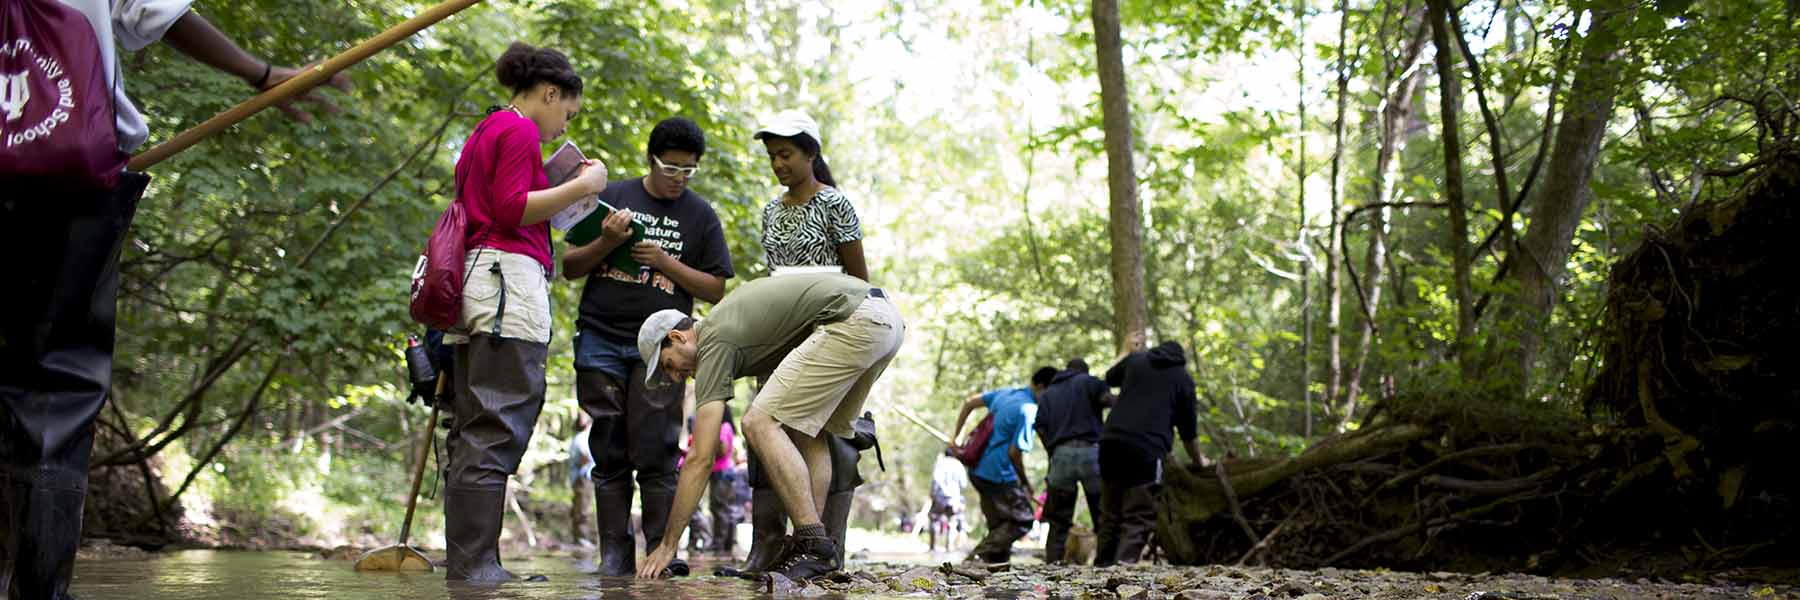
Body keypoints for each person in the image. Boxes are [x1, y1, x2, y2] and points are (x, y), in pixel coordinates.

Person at [0, 2, 350, 597]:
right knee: (56, 390)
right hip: (69, 174)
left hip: (65, 177)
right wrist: (259, 72)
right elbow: (152, 9)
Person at [438, 41, 602, 583]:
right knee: (499, 419)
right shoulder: (518, 129)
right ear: (550, 93)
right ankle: (476, 566)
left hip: (477, 278)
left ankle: (471, 563)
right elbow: (511, 209)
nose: (562, 127)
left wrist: (551, 185)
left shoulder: (488, 129)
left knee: (475, 422)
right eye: (567, 114)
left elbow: (499, 201)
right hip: (505, 281)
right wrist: (582, 186)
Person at [634, 272, 905, 581]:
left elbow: (700, 458)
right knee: (805, 431)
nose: (675, 377)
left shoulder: (713, 339)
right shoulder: (730, 322)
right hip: (886, 321)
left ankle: (814, 543)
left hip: (855, 320)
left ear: (677, 337)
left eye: (669, 365)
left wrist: (668, 545)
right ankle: (812, 549)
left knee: (757, 422)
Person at [561, 117, 733, 577]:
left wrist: (664, 262)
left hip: (665, 351)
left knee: (657, 451)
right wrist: (607, 240)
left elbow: (716, 288)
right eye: (671, 168)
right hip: (601, 338)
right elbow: (569, 266)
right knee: (609, 447)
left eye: (688, 170)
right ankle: (614, 557)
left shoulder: (700, 216)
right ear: (650, 160)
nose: (679, 178)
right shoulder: (612, 196)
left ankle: (661, 551)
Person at [1095, 341, 1208, 567]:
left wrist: (1128, 352)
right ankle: (1120, 570)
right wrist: (1200, 461)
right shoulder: (1182, 379)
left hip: (1110, 442)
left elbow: (1109, 378)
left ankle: (1101, 569)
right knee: (1138, 515)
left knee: (1110, 512)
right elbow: (1188, 432)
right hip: (1146, 448)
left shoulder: (1136, 361)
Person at [947, 367, 1054, 565]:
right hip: (998, 474)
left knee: (999, 524)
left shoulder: (1006, 393)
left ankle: (996, 567)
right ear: (1041, 387)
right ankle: (976, 558)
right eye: (1052, 392)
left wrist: (957, 437)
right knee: (1023, 520)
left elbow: (969, 402)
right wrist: (1025, 483)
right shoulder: (1029, 409)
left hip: (977, 470)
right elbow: (1014, 453)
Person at [754, 110, 867, 280]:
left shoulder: (833, 203)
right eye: (772, 157)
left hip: (829, 305)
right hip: (784, 306)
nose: (777, 165)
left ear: (811, 153)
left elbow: (859, 282)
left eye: (785, 155)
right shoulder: (772, 211)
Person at [1033, 358, 1114, 564]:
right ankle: (1105, 563)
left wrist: (1052, 450)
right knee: (1102, 514)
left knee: (1059, 519)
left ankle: (1053, 564)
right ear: (1084, 371)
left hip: (1061, 455)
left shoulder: (1049, 393)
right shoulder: (1091, 382)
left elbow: (1040, 427)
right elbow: (1109, 400)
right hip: (1091, 452)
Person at [927, 449, 969, 553]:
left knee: (934, 519)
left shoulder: (940, 463)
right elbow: (964, 484)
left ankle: (933, 547)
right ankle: (949, 547)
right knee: (952, 521)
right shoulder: (959, 465)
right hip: (954, 497)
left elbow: (936, 479)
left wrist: (932, 494)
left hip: (940, 496)